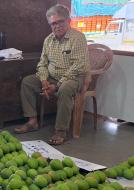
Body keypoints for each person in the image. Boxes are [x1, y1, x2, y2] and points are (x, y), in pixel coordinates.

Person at [15, 4, 88, 145]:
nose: (57, 26)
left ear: (68, 21)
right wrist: (44, 81)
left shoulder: (78, 38)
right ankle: (32, 121)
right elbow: (42, 63)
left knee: (65, 88)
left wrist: (57, 85)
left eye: (60, 22)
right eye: (53, 23)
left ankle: (61, 131)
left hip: (74, 78)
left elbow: (78, 66)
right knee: (27, 82)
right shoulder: (48, 40)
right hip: (52, 77)